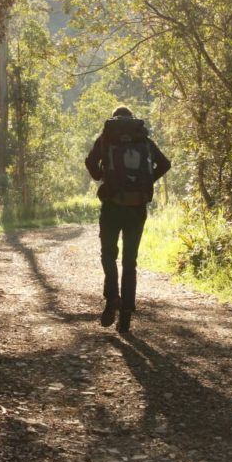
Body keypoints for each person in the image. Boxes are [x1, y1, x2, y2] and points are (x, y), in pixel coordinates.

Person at [85, 106, 171, 333]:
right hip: (137, 207)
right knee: (129, 262)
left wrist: (103, 175)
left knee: (108, 255)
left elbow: (91, 165)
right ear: (132, 119)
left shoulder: (106, 138)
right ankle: (125, 315)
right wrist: (146, 181)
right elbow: (165, 163)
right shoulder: (143, 139)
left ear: (114, 118)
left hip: (112, 206)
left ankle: (112, 296)